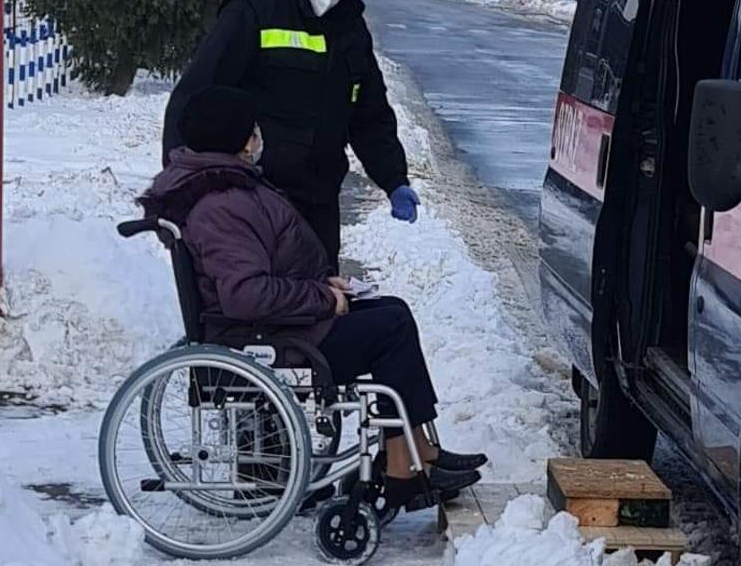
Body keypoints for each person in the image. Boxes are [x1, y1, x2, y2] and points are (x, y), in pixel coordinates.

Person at [140, 86, 486, 505]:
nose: (258, 138)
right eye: (252, 131)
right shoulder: (221, 205)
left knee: (390, 310)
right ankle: (404, 467)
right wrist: (320, 298)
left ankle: (417, 453)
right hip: (264, 339)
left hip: (274, 325)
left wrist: (325, 284)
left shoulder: (223, 190)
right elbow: (245, 294)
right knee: (390, 328)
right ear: (237, 140)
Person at [162, 0, 419, 273]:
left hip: (318, 201)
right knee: (260, 302)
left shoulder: (351, 31)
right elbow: (192, 99)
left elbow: (369, 116)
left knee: (321, 307)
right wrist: (177, 187)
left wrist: (394, 180)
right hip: (253, 198)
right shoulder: (253, 11)